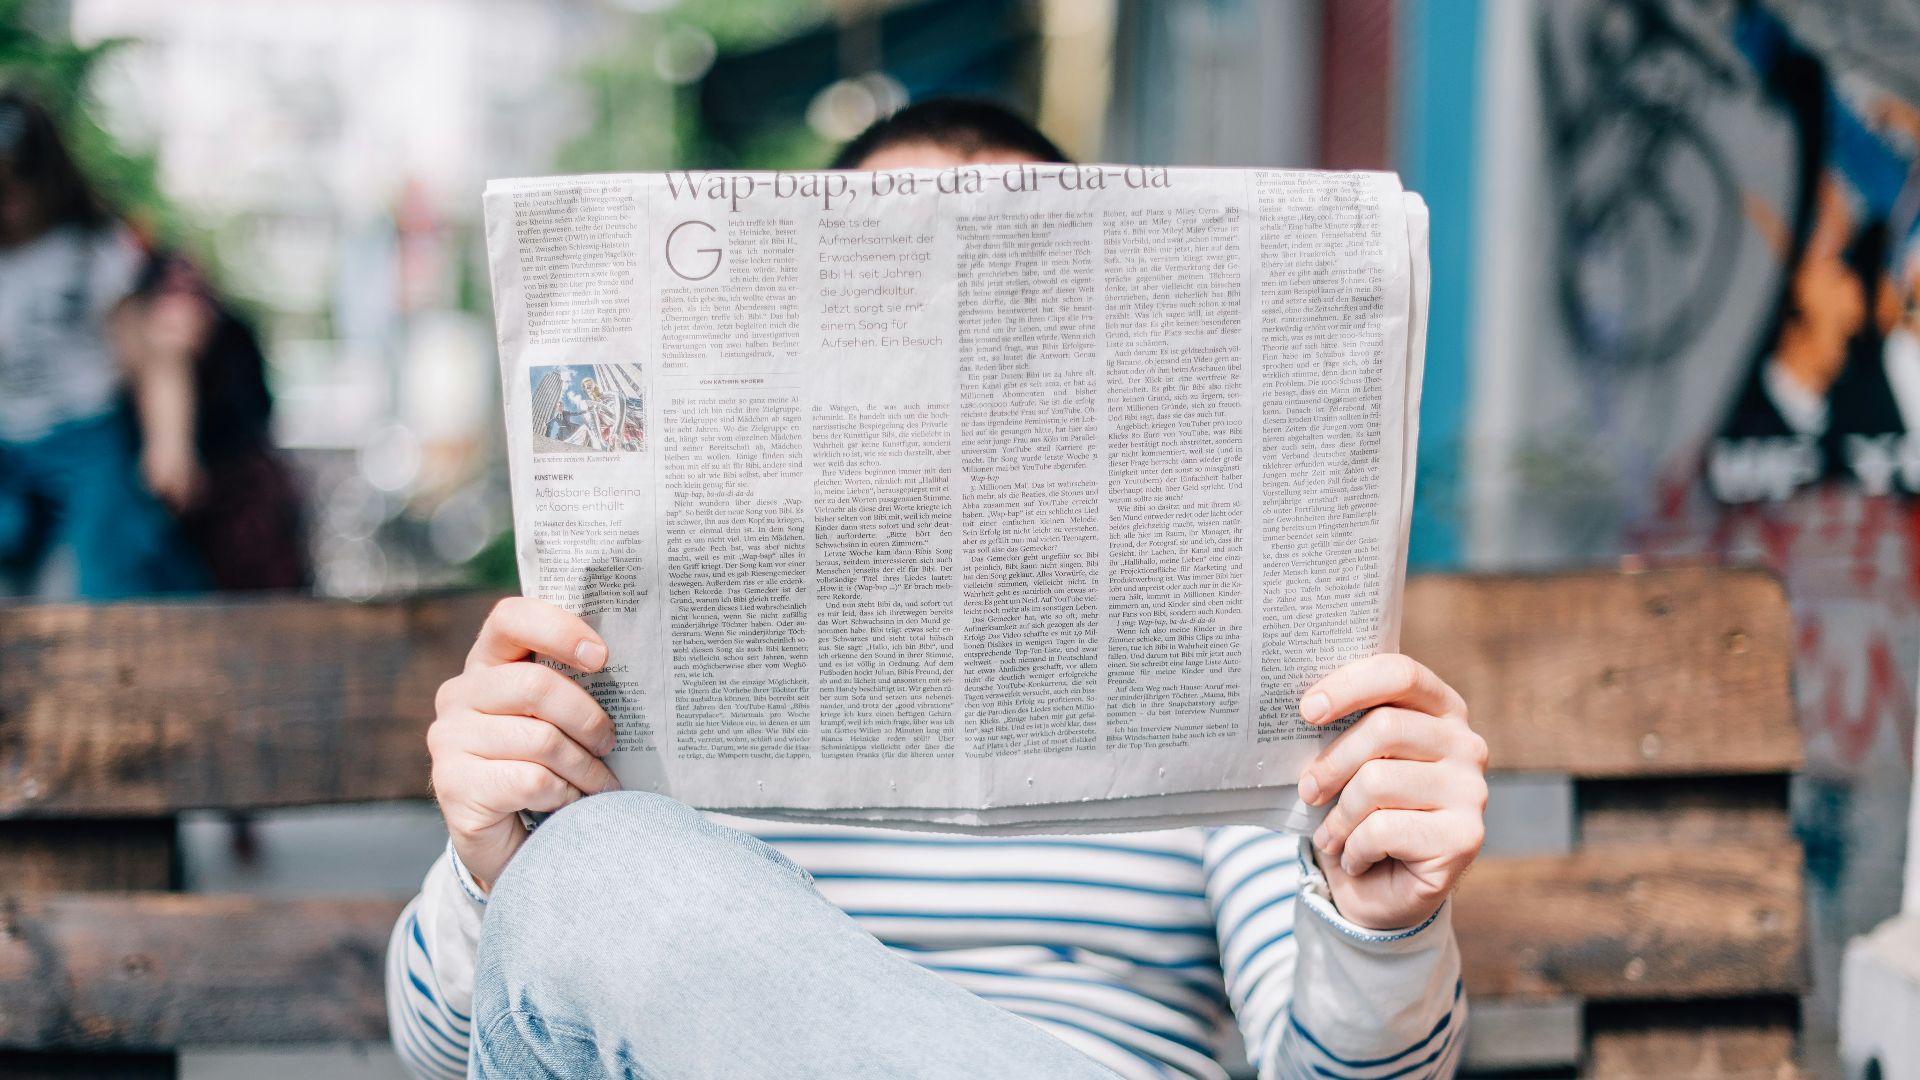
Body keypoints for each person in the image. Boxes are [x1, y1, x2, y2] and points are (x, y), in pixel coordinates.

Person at [388, 99, 1485, 1080]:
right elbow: (460, 1050)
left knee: (603, 870)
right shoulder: (630, 664)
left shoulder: (1216, 667)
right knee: (601, 870)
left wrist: (1379, 928)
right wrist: (497, 864)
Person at [0, 89, 208, 597]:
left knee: (101, 574)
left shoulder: (91, 249)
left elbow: (154, 359)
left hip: (86, 439)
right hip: (7, 444)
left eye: (14, 186)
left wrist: (169, 445)